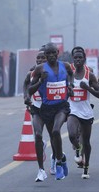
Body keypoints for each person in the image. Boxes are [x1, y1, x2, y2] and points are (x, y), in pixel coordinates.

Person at [28, 42, 74, 180]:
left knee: (55, 131)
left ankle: (58, 163)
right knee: (43, 136)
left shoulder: (65, 66)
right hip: (44, 108)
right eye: (48, 54)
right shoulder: (39, 70)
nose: (51, 55)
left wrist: (70, 85)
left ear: (57, 53)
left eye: (53, 52)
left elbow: (70, 74)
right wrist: (40, 82)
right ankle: (57, 160)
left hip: (61, 106)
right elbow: (29, 89)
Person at [67, 47, 99, 179]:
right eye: (75, 58)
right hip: (73, 109)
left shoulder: (90, 75)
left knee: (86, 142)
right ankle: (77, 148)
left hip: (86, 112)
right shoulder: (68, 74)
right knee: (71, 135)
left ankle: (86, 168)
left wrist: (87, 88)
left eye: (80, 58)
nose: (77, 60)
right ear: (73, 59)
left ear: (84, 59)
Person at [23, 50, 56, 181]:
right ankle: (41, 170)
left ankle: (55, 159)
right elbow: (26, 86)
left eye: (43, 58)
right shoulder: (31, 74)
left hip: (50, 109)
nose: (40, 60)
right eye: (38, 58)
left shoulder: (53, 74)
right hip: (36, 109)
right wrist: (26, 97)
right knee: (37, 135)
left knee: (54, 135)